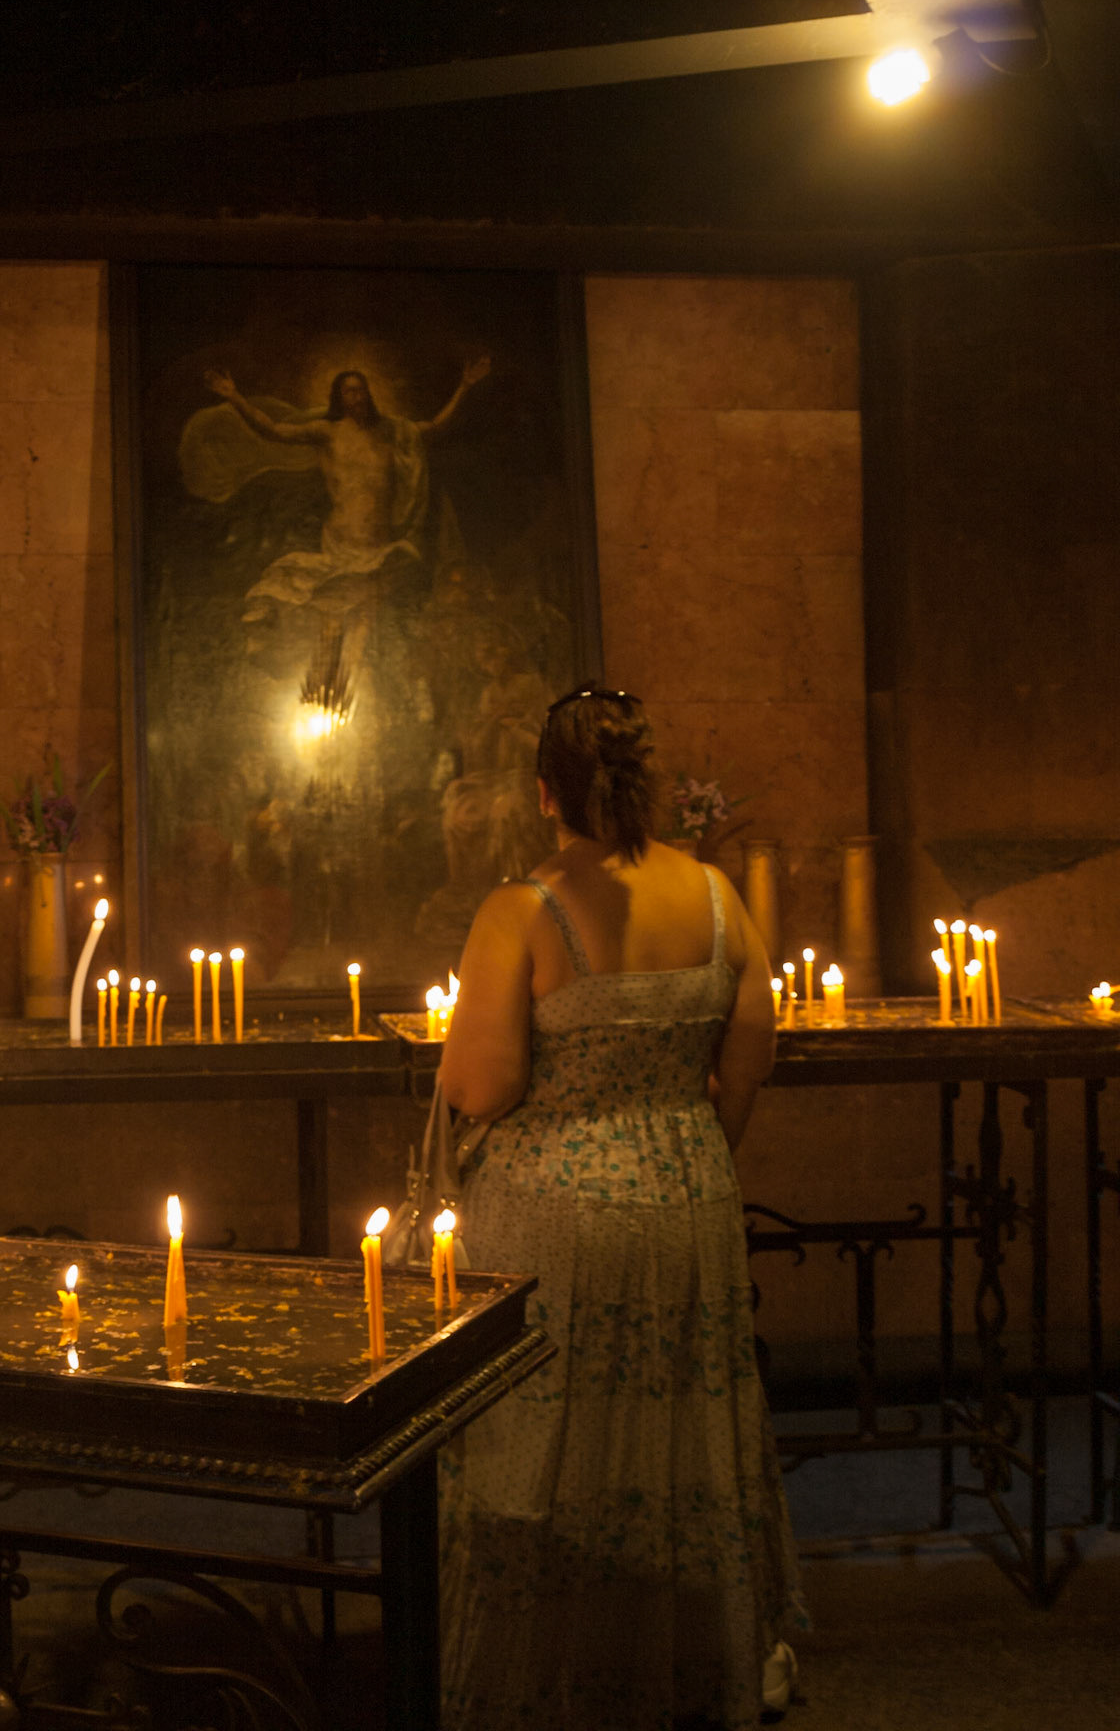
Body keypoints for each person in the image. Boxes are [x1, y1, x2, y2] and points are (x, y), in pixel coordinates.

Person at [437, 688, 803, 1731]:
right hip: (689, 1189)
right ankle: (696, 1662)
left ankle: (547, 1673)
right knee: (683, 1426)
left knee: (544, 1440)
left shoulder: (523, 908)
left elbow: (484, 1086)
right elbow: (751, 1055)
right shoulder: (719, 895)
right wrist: (688, 1150)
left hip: (554, 1211)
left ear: (544, 792)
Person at [193, 354, 491, 656]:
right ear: (339, 397)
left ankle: (356, 677)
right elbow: (274, 429)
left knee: (364, 628)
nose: (356, 396)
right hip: (340, 542)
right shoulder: (327, 432)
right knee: (331, 627)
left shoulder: (392, 432)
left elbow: (435, 427)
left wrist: (464, 387)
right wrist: (234, 396)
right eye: (349, 391)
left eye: (360, 390)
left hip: (379, 545)